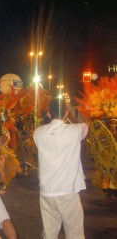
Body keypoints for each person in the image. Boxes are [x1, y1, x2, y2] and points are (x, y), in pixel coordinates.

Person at [33, 98, 88, 239]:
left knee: (49, 233)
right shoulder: (75, 131)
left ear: (49, 114)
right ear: (66, 113)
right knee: (74, 233)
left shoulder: (38, 133)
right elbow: (87, 124)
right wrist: (73, 110)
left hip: (47, 191)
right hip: (67, 190)